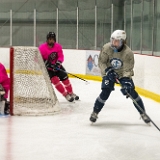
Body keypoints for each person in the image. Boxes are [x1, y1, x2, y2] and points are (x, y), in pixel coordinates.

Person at [89, 29, 150, 124]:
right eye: (113, 40)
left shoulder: (128, 53)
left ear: (123, 41)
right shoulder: (106, 48)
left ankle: (142, 113)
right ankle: (95, 112)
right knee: (105, 91)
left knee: (131, 92)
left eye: (116, 41)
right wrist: (107, 71)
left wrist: (126, 84)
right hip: (109, 72)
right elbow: (102, 62)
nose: (114, 43)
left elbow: (127, 69)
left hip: (122, 74)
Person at [39, 32, 79, 102]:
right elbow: (37, 58)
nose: (51, 41)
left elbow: (61, 56)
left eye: (52, 39)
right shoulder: (42, 48)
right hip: (49, 69)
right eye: (50, 39)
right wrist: (46, 63)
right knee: (56, 81)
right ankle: (66, 95)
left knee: (65, 80)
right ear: (47, 39)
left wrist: (58, 64)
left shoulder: (58, 46)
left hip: (57, 67)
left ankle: (71, 93)